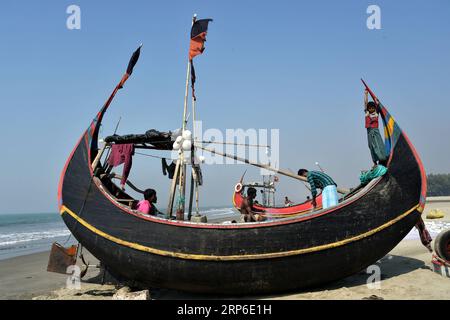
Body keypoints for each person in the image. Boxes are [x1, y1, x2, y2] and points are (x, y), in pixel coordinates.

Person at [364, 89, 387, 168]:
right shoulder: (367, 113)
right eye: (369, 108)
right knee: (371, 146)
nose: (371, 109)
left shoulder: (376, 114)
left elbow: (377, 105)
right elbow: (365, 104)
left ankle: (383, 159)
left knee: (378, 145)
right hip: (369, 132)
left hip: (375, 132)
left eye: (372, 108)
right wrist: (366, 94)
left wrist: (376, 102)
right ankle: (375, 162)